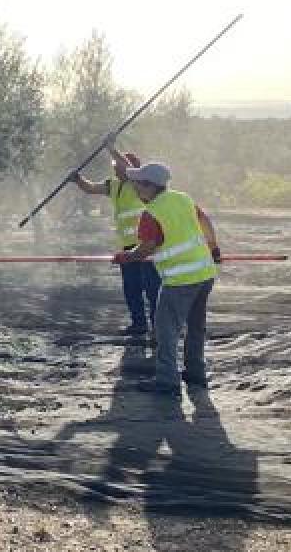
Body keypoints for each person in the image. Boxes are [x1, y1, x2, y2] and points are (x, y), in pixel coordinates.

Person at [113, 161, 221, 396]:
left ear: (150, 186)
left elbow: (146, 249)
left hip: (180, 281)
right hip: (205, 275)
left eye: (138, 184)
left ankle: (167, 381)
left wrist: (126, 257)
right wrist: (214, 248)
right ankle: (195, 373)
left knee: (165, 330)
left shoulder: (151, 213)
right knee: (195, 327)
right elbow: (205, 221)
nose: (135, 188)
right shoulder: (183, 198)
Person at [71, 139, 161, 339]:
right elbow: (91, 188)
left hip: (145, 245)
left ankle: (158, 328)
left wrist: (111, 148)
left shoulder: (138, 184)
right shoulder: (113, 185)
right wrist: (78, 180)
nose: (115, 169)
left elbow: (127, 169)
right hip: (127, 246)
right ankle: (139, 324)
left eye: (118, 166)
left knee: (152, 288)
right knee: (131, 288)